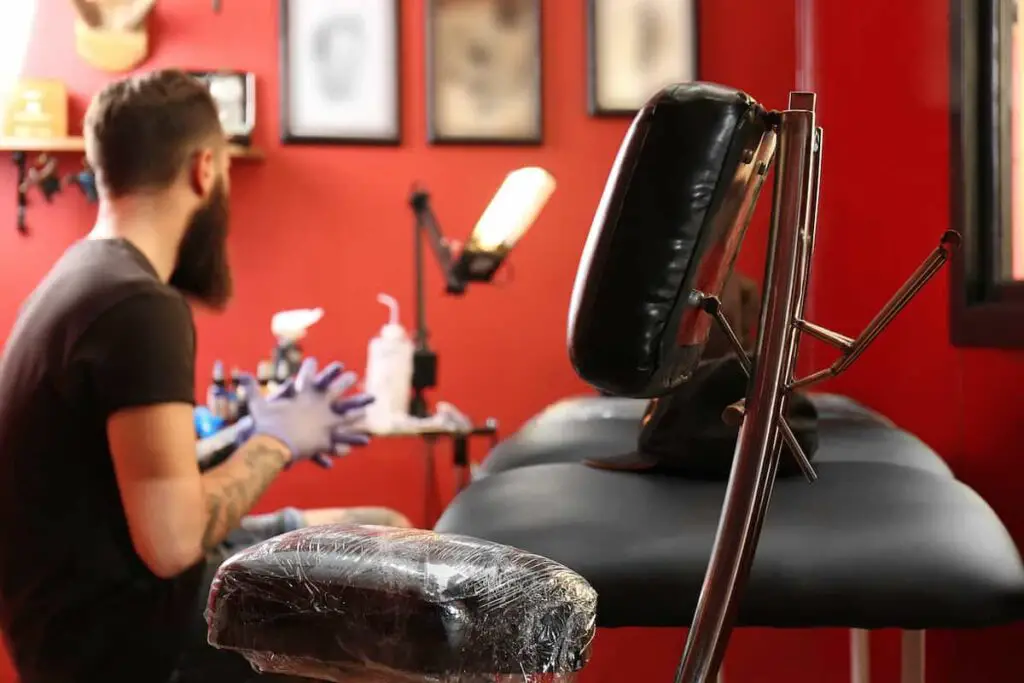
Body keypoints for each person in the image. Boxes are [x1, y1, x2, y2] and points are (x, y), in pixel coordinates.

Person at [0, 69, 410, 683]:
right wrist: (275, 442)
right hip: (123, 640)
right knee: (404, 605)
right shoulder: (137, 303)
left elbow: (119, 487)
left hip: (95, 601)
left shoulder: (83, 276)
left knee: (391, 534)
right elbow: (171, 544)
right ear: (205, 169)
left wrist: (237, 434)